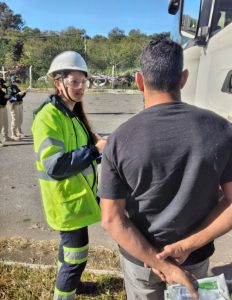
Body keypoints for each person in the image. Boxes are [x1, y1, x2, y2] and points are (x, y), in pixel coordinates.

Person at [100, 36, 232, 300]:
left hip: (142, 260)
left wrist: (161, 264)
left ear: (139, 81)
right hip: (193, 258)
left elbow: (111, 219)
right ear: (183, 78)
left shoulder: (119, 140)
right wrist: (186, 245)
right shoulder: (221, 130)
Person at [32, 50, 106, 300]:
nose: (80, 87)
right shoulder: (48, 117)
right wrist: (94, 150)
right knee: (76, 258)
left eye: (83, 81)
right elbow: (56, 165)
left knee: (70, 255)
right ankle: (64, 293)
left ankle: (73, 284)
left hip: (78, 198)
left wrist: (100, 148)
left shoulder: (71, 115)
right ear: (58, 82)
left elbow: (83, 151)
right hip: (66, 203)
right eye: (74, 81)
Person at [7, 75, 27, 140]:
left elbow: (20, 97)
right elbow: (10, 98)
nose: (18, 82)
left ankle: (19, 132)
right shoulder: (10, 88)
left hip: (19, 104)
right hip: (14, 105)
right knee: (15, 120)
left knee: (20, 119)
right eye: (16, 81)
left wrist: (24, 93)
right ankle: (13, 134)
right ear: (13, 81)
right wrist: (18, 94)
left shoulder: (17, 87)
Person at [0, 78, 10, 146]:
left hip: (4, 108)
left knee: (5, 123)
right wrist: (6, 96)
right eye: (2, 84)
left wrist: (7, 95)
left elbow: (7, 97)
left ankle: (6, 137)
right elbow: (5, 97)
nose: (3, 85)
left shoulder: (2, 90)